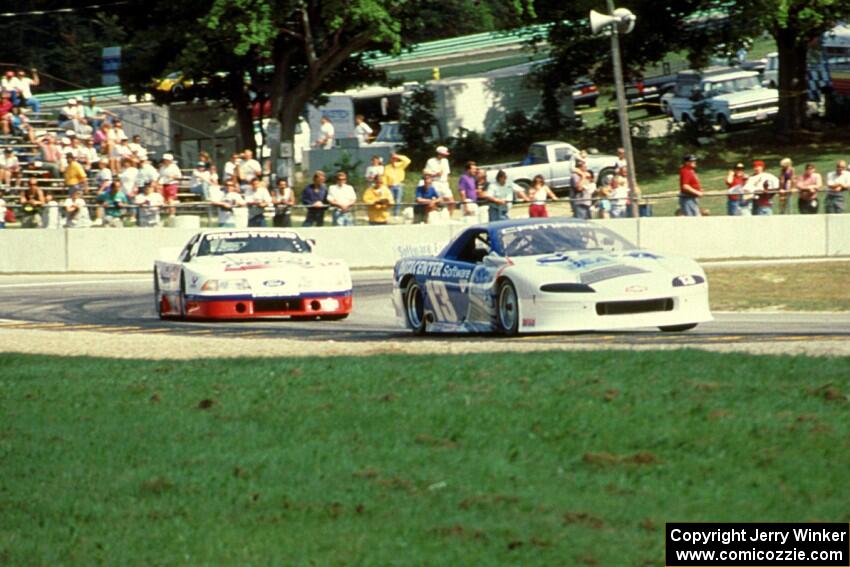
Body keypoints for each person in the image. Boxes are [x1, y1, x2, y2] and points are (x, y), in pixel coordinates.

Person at [424, 146, 453, 213]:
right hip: (435, 183)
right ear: (439, 153)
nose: (445, 156)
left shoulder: (446, 161)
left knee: (451, 201)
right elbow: (425, 172)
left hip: (444, 183)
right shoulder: (430, 161)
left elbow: (447, 173)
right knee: (435, 202)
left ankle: (448, 217)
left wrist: (447, 184)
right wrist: (434, 175)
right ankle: (434, 216)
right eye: (444, 154)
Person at [382, 152, 411, 218]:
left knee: (398, 200)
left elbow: (408, 160)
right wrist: (385, 185)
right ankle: (388, 213)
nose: (393, 160)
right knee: (389, 200)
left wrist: (397, 156)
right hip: (390, 185)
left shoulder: (400, 165)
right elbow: (384, 177)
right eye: (392, 158)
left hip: (399, 184)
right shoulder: (387, 167)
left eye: (395, 159)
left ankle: (396, 214)